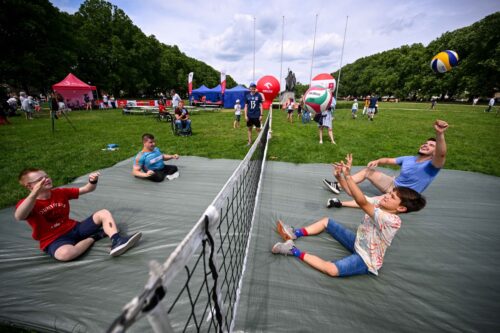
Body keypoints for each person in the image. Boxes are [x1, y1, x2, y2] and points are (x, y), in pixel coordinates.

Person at [272, 155, 426, 277]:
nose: (387, 196)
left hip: (366, 259)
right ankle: (294, 233)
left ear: (401, 208)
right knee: (327, 221)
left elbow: (361, 202)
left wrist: (349, 175)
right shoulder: (380, 204)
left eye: (392, 197)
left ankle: (292, 250)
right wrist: (340, 177)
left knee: (332, 270)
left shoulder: (392, 220)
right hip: (358, 242)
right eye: (390, 193)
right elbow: (354, 194)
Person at [14, 168, 142, 261]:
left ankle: (117, 240)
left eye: (46, 176)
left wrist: (92, 181)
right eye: (40, 179)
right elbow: (19, 216)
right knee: (65, 255)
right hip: (54, 240)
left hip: (75, 228)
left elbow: (87, 189)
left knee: (103, 213)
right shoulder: (28, 203)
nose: (46, 179)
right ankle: (96, 236)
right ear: (30, 186)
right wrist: (34, 194)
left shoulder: (60, 193)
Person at [324, 120, 448, 208]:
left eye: (431, 145)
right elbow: (389, 160)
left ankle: (339, 203)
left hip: (404, 195)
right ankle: (338, 186)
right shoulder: (409, 158)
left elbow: (441, 155)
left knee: (373, 202)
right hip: (393, 184)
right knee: (367, 171)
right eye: (426, 143)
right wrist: (377, 161)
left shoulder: (433, 166)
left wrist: (440, 134)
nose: (426, 145)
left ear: (434, 153)